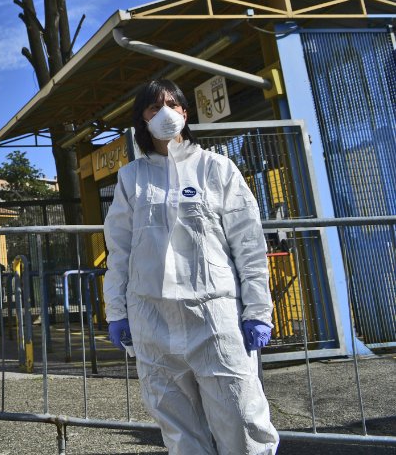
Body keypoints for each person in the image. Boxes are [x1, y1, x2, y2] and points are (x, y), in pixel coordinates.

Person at [103, 79, 278, 455]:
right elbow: (118, 251)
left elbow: (248, 244)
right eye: (154, 107)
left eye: (173, 104)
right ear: (142, 120)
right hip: (152, 317)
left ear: (185, 113)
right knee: (179, 429)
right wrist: (117, 311)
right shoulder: (132, 178)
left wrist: (258, 310)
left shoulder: (217, 169)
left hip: (214, 315)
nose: (165, 112)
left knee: (241, 418)